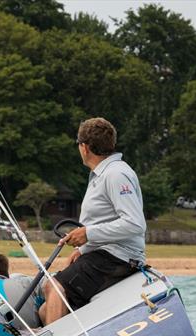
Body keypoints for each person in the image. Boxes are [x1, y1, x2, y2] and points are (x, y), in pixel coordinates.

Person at [39, 117, 146, 325]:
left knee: (53, 286)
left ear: (84, 147)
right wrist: (84, 249)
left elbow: (134, 223)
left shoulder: (115, 174)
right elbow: (106, 220)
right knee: (45, 309)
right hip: (104, 254)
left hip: (118, 257)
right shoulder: (103, 174)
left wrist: (88, 234)